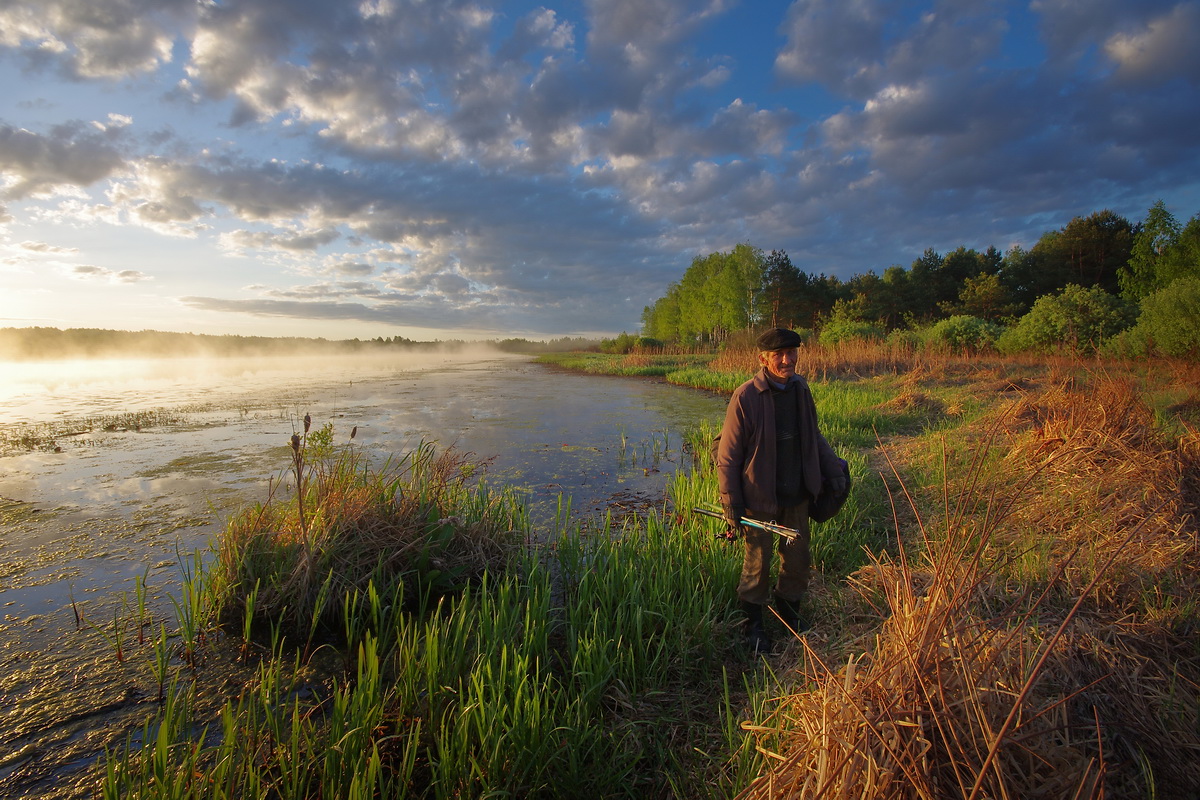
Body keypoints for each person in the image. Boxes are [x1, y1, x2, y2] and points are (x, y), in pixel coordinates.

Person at [715, 327, 847, 653]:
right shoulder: (745, 397)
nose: (787, 360)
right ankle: (753, 625)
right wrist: (731, 504)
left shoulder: (801, 388)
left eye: (792, 353)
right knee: (757, 565)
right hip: (759, 499)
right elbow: (728, 456)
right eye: (779, 355)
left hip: (797, 495)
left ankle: (789, 613)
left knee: (799, 561)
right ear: (763, 358)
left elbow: (814, 437)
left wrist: (836, 472)